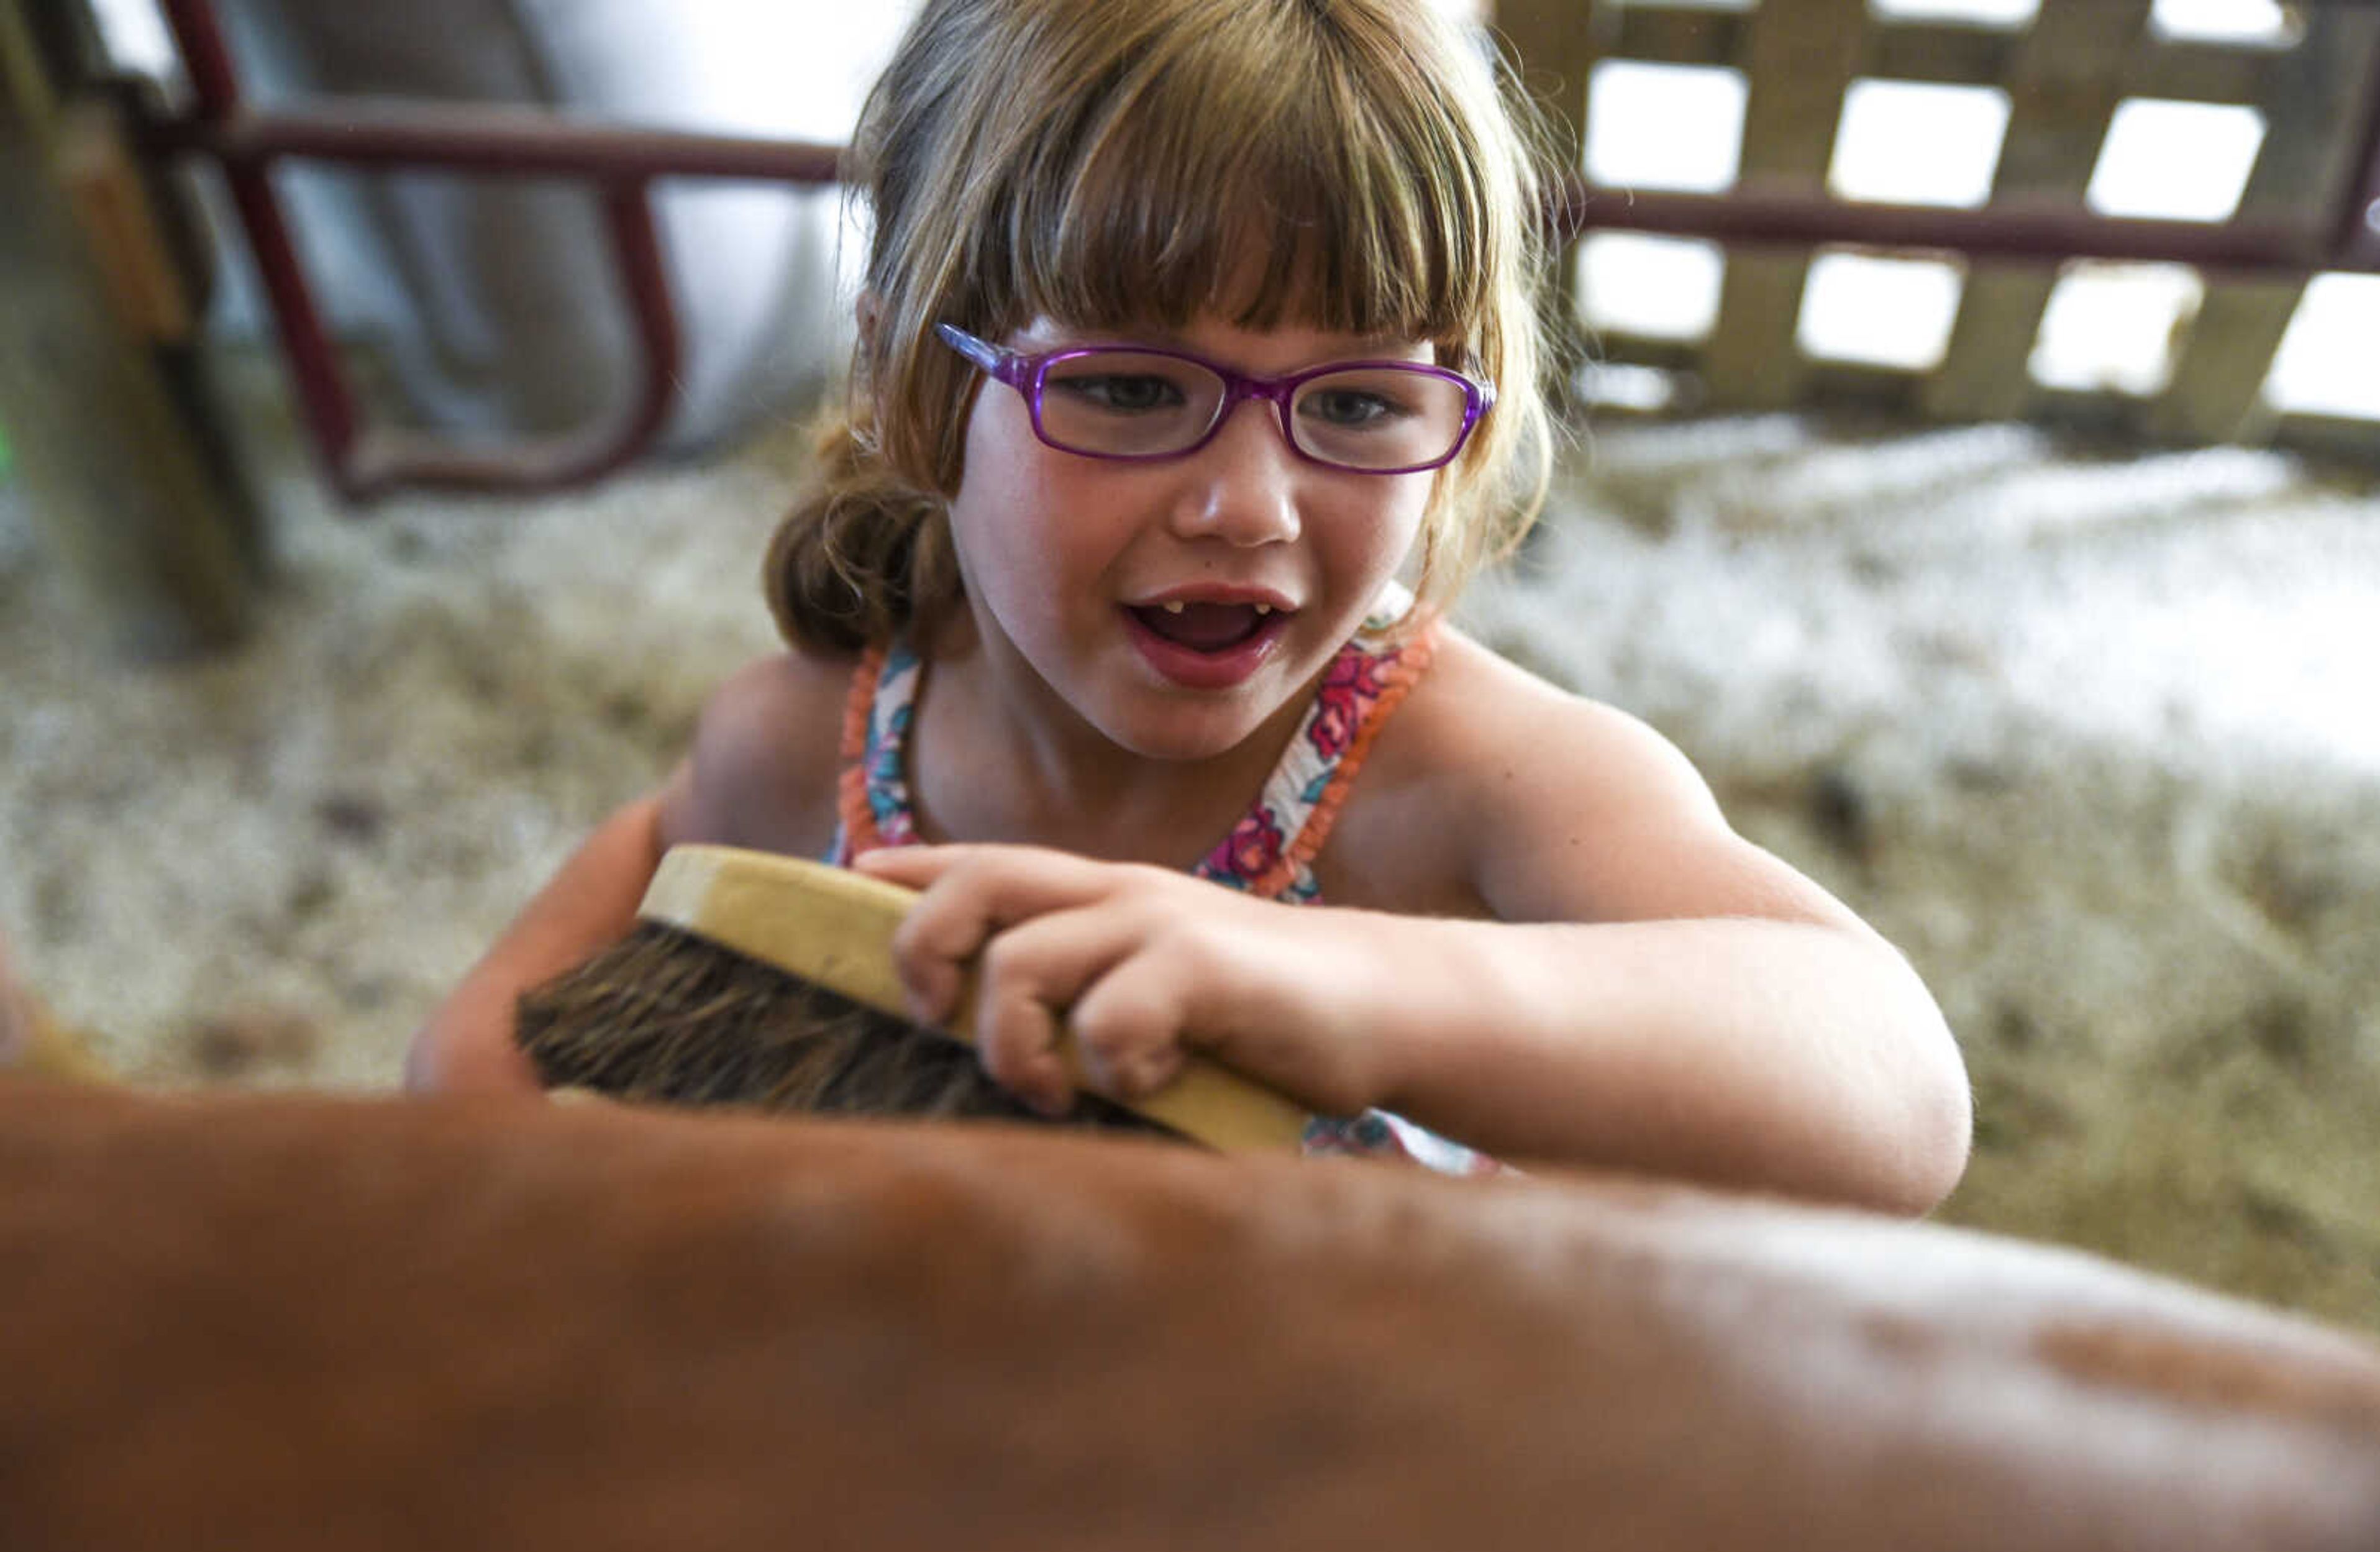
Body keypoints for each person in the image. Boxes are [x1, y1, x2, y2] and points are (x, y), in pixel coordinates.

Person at [408, 0, 1970, 1209]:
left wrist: (1351, 983)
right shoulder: (817, 737)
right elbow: (662, 849)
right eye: (1134, 386)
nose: (1249, 502)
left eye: (1359, 406)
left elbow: (1894, 1090)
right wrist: (476, 1056)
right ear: (903, 381)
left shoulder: (1470, 786)